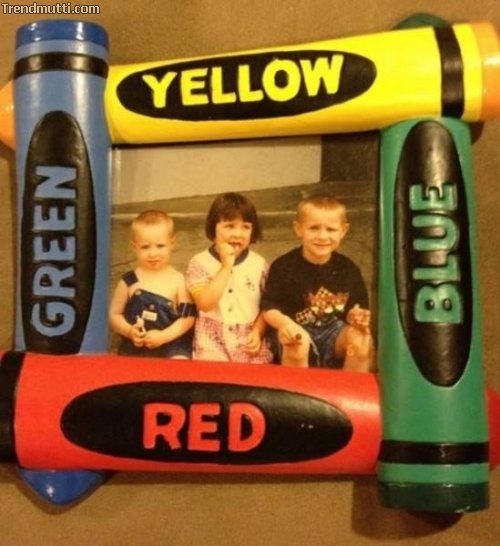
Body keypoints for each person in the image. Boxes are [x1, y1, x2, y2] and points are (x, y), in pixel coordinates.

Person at [261, 193, 375, 372]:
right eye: (314, 228)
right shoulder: (284, 266)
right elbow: (269, 308)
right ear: (299, 229)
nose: (322, 236)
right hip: (294, 329)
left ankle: (347, 388)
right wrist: (285, 324)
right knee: (298, 342)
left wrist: (357, 317)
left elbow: (356, 308)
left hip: (334, 332)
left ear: (343, 231)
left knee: (361, 341)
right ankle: (297, 389)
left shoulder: (348, 268)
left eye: (331, 230)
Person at [186, 192, 273, 363]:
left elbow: (268, 305)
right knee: (214, 376)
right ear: (213, 228)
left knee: (256, 376)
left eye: (245, 227)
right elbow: (204, 303)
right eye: (229, 226)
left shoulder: (259, 264)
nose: (237, 234)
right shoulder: (199, 262)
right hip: (212, 339)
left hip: (249, 337)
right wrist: (226, 267)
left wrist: (258, 331)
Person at [109, 210, 195, 358]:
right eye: (145, 247)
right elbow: (114, 314)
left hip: (171, 344)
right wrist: (129, 331)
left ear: (172, 244)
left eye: (160, 246)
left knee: (180, 364)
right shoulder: (129, 280)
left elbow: (188, 318)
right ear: (134, 247)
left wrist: (163, 336)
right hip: (136, 345)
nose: (153, 253)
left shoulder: (178, 280)